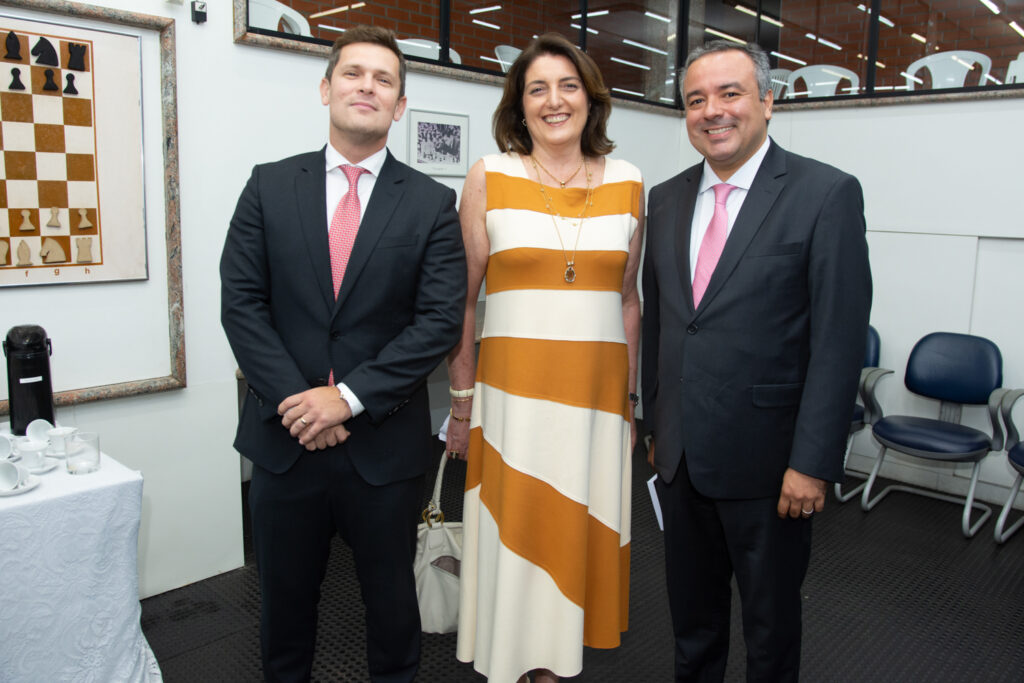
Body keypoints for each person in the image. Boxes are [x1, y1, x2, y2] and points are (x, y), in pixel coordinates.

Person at [219, 26, 466, 682]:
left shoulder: (433, 204)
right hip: (284, 438)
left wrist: (347, 397)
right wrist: (301, 403)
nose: (367, 87)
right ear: (326, 89)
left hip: (382, 449)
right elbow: (242, 305)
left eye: (384, 79)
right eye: (353, 74)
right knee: (284, 613)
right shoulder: (269, 187)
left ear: (400, 104)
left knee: (391, 610)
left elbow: (438, 321)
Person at [641, 40, 871, 682]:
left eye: (730, 93)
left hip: (774, 471)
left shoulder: (826, 195)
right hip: (682, 462)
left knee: (770, 636)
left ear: (767, 101)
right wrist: (658, 426)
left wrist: (812, 463)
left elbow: (837, 341)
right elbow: (663, 323)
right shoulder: (664, 200)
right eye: (695, 99)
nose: (712, 111)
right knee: (692, 629)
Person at [445, 33, 644, 683]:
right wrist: (462, 399)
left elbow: (628, 302)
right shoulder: (489, 175)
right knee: (519, 529)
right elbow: (463, 302)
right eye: (537, 89)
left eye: (567, 86)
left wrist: (629, 401)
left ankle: (555, 664)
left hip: (593, 405)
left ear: (591, 98)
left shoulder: (631, 181)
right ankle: (513, 660)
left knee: (569, 536)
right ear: (519, 105)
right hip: (512, 404)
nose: (554, 101)